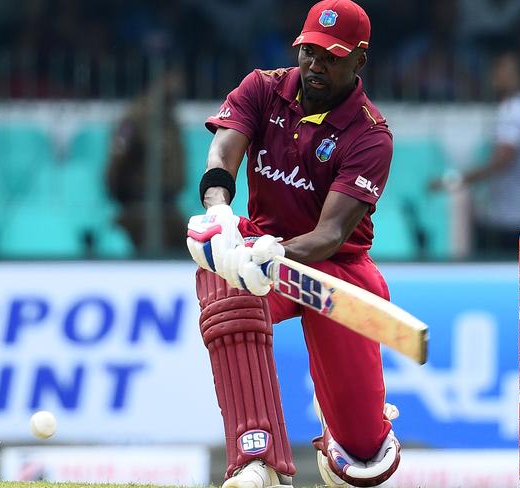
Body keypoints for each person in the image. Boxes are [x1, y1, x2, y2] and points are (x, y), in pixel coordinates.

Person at [186, 1, 402, 487]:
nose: (315, 64)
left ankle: (341, 430)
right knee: (221, 271)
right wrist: (219, 210)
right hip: (262, 247)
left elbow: (330, 236)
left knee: (364, 461)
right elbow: (224, 150)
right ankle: (256, 459)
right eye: (309, 51)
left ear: (359, 60)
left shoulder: (371, 136)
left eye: (330, 56)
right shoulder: (262, 87)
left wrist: (275, 256)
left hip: (338, 272)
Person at [430, 52, 520, 256]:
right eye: (499, 68)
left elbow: (502, 160)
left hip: (513, 219)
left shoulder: (516, 111)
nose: (499, 74)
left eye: (507, 71)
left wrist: (452, 180)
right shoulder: (518, 108)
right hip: (505, 214)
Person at [106, 68, 186, 254]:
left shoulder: (169, 118)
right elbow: (118, 158)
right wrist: (124, 197)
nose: (178, 84)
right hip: (140, 206)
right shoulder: (137, 116)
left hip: (168, 206)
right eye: (172, 78)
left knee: (196, 249)